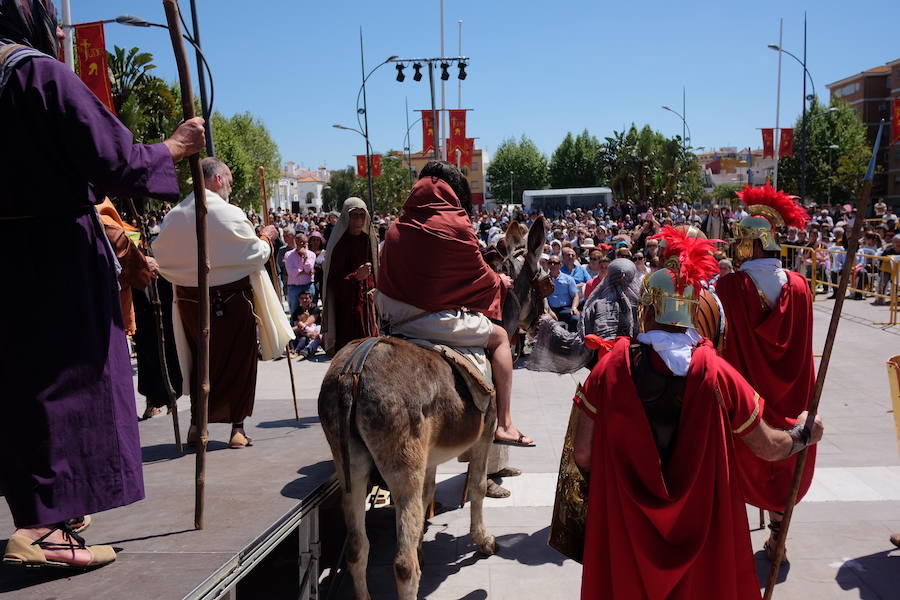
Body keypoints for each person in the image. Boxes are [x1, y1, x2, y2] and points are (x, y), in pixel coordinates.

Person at [0, 0, 204, 570]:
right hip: (56, 261)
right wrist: (175, 147)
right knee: (71, 385)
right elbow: (118, 161)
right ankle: (43, 530)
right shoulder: (37, 74)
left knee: (24, 387)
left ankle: (54, 509)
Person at [571, 231, 824, 600]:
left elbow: (583, 454)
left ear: (646, 311)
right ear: (695, 313)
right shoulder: (719, 375)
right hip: (703, 537)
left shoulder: (608, 371)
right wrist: (804, 433)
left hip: (629, 534)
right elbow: (769, 447)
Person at [377, 161, 533, 447]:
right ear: (454, 192)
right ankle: (506, 424)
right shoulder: (456, 223)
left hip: (389, 318)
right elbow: (477, 276)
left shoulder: (396, 226)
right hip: (426, 320)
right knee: (499, 338)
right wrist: (499, 282)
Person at [153, 158, 293, 449]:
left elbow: (161, 255)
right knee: (238, 363)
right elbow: (255, 253)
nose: (229, 185)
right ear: (216, 179)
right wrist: (267, 237)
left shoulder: (176, 214)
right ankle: (237, 429)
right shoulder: (228, 213)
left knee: (199, 361)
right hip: (232, 302)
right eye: (228, 179)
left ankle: (196, 425)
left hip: (191, 303)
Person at [716, 183, 817, 560]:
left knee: (743, 466)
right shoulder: (802, 287)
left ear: (753, 243)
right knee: (789, 463)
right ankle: (778, 537)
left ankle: (741, 544)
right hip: (795, 402)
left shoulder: (728, 287)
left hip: (748, 406)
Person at [321, 198, 379, 354]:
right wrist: (356, 277)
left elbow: (374, 271)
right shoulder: (340, 245)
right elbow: (334, 281)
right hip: (347, 310)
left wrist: (374, 287)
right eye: (355, 215)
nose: (359, 220)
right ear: (347, 217)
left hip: (368, 305)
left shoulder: (368, 240)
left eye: (362, 215)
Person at [284, 233, 315, 313]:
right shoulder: (288, 255)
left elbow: (308, 269)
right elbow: (291, 272)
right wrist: (303, 271)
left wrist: (305, 256)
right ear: (296, 242)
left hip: (308, 285)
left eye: (305, 242)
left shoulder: (311, 254)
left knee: (310, 310)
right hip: (294, 287)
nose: (303, 244)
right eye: (301, 242)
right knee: (294, 311)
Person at [547, 256, 580, 332]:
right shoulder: (544, 280)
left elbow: (575, 295)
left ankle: (572, 341)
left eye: (555, 263)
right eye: (550, 263)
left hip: (565, 308)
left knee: (575, 319)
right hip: (550, 309)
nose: (552, 265)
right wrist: (549, 310)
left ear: (560, 265)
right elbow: (543, 298)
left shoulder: (568, 279)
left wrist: (574, 307)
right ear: (548, 265)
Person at [290, 290, 322, 359]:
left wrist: (300, 325)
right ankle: (298, 350)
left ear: (311, 299)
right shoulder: (296, 311)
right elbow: (298, 328)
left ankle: (308, 349)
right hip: (305, 333)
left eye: (306, 298)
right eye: (302, 298)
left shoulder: (315, 308)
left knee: (318, 331)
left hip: (315, 329)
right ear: (299, 300)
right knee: (301, 337)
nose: (304, 300)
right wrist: (308, 334)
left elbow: (308, 322)